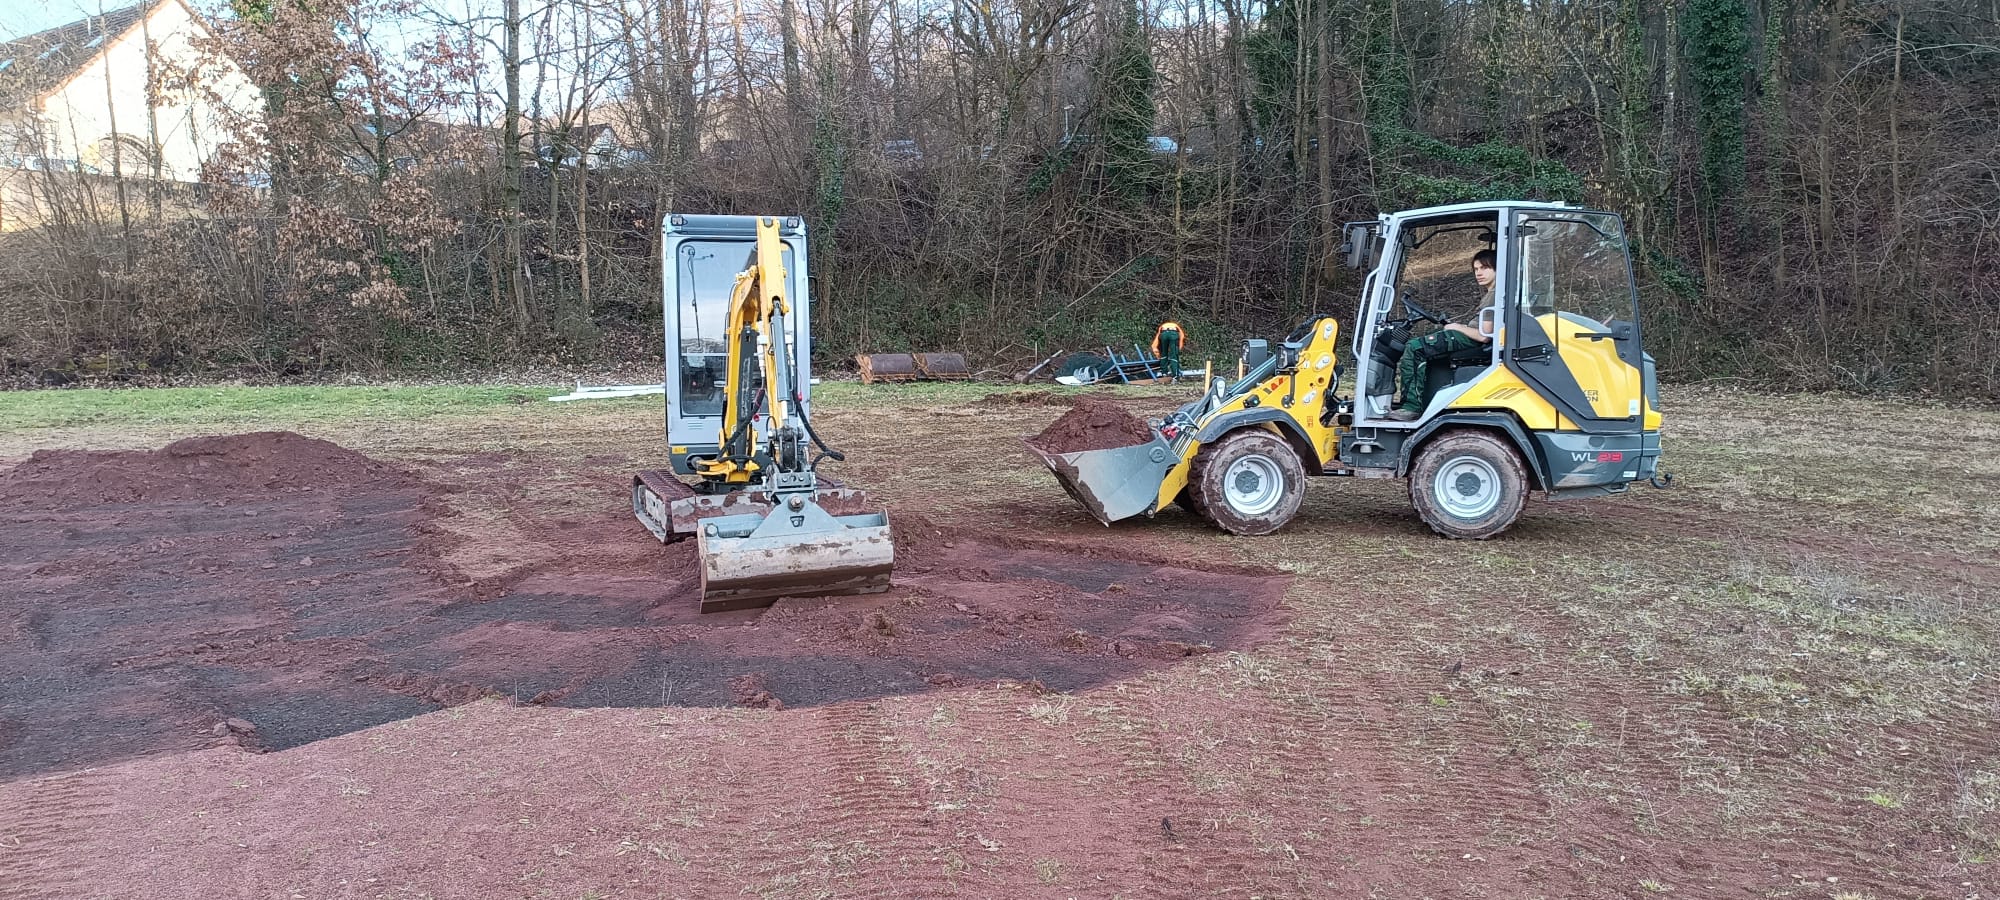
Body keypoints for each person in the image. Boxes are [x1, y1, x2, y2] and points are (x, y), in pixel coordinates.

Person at [1387, 249, 1495, 422]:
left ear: (1496, 269)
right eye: (1476, 269)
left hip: (1473, 342)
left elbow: (1484, 335)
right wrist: (1454, 326)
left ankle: (1411, 407)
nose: (1479, 273)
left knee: (1414, 348)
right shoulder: (1492, 294)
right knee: (1425, 343)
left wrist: (1457, 327)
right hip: (1469, 339)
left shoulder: (1494, 296)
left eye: (1484, 268)